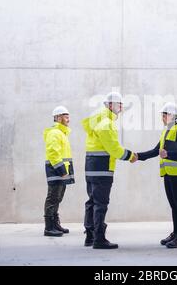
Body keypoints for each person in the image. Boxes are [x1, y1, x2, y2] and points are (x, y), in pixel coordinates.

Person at [82, 92, 138, 249]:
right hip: (102, 169)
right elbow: (114, 148)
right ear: (111, 105)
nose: (121, 108)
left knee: (92, 201)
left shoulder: (97, 121)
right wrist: (130, 156)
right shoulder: (106, 123)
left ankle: (90, 236)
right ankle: (99, 239)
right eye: (119, 104)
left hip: (91, 168)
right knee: (101, 204)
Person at [136, 102, 177, 248]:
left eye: (164, 115)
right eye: (162, 115)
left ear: (171, 115)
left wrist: (169, 154)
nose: (162, 117)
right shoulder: (166, 131)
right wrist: (137, 156)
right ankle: (175, 233)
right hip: (167, 173)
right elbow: (156, 151)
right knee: (174, 205)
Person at [43, 106, 75, 237]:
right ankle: (49, 227)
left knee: (58, 198)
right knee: (53, 198)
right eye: (65, 116)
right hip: (56, 170)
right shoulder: (54, 133)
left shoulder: (62, 133)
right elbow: (53, 152)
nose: (68, 119)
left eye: (68, 116)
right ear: (57, 118)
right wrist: (61, 169)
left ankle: (55, 224)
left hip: (61, 170)